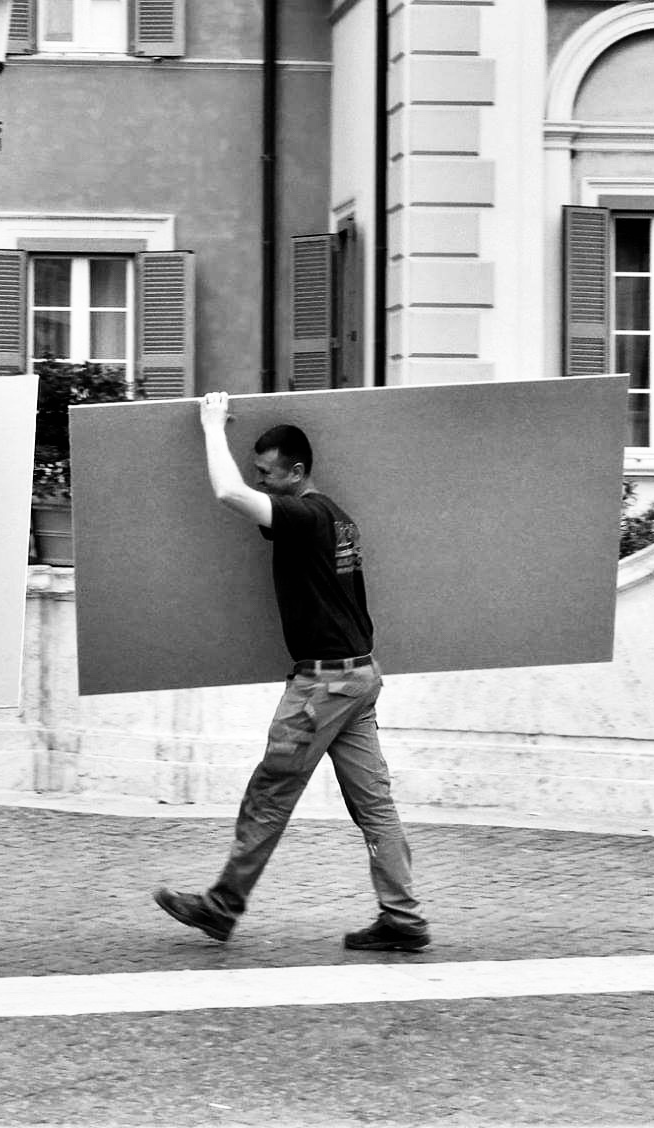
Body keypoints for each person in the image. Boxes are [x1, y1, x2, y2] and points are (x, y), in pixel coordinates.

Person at [152, 391, 430, 953]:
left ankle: (222, 907)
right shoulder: (335, 518)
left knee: (271, 793)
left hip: (323, 684)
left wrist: (210, 426)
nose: (259, 481)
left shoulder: (301, 516)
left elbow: (228, 492)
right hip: (359, 677)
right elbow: (251, 496)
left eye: (267, 473)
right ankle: (402, 918)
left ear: (296, 472)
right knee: (374, 804)